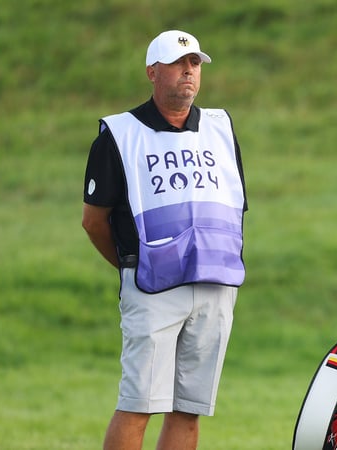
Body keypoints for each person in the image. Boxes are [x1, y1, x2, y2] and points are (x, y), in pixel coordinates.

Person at [81, 30, 247, 450]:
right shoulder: (119, 135)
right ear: (153, 73)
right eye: (178, 64)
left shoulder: (220, 128)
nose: (188, 72)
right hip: (152, 285)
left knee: (187, 408)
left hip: (214, 283)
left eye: (195, 64)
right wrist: (129, 266)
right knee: (138, 403)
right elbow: (93, 221)